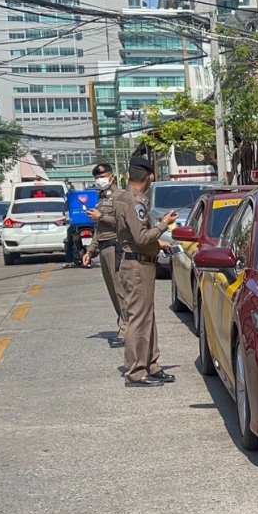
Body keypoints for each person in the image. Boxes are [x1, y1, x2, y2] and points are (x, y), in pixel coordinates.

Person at [113, 152, 179, 387]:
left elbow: (132, 236)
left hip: (140, 261)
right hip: (138, 264)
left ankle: (151, 364)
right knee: (138, 319)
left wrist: (158, 243)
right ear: (149, 178)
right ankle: (136, 371)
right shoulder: (134, 202)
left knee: (146, 317)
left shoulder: (123, 197)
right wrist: (164, 225)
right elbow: (141, 238)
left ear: (129, 174)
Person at [81, 164, 125, 348]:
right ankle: (123, 326)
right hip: (104, 248)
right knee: (113, 292)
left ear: (112, 177)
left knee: (120, 291)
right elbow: (99, 231)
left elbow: (123, 223)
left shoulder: (121, 197)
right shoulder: (101, 199)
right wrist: (90, 251)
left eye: (103, 176)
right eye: (97, 177)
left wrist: (101, 217)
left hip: (116, 247)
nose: (100, 179)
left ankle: (126, 331)